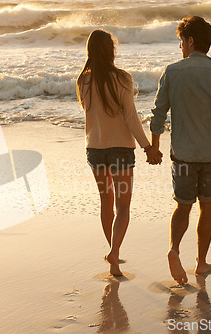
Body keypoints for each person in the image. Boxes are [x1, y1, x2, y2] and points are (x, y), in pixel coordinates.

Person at [149, 16, 211, 284]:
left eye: (181, 41)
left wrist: (154, 148)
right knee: (207, 207)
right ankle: (200, 263)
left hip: (183, 155)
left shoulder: (172, 72)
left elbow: (158, 115)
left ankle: (174, 250)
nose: (180, 47)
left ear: (190, 41)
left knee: (183, 206)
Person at [77, 29, 162, 276]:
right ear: (111, 51)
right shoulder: (123, 78)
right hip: (121, 150)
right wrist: (148, 147)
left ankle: (113, 255)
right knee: (123, 207)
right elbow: (130, 117)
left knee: (106, 202)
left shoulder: (83, 80)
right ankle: (114, 252)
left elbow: (89, 112)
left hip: (95, 149)